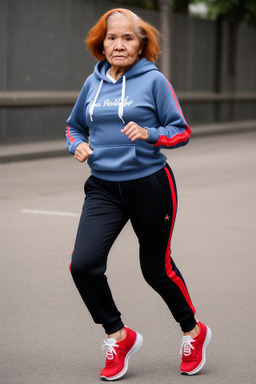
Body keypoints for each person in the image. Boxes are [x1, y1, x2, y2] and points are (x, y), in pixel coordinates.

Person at [66, 8, 211, 381]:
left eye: (127, 38)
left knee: (155, 269)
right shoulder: (91, 84)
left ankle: (193, 332)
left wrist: (150, 134)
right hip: (103, 187)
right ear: (102, 43)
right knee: (83, 265)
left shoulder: (154, 81)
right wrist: (77, 146)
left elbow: (181, 131)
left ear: (141, 43)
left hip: (149, 183)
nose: (118, 45)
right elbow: (74, 127)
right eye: (111, 38)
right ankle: (118, 334)